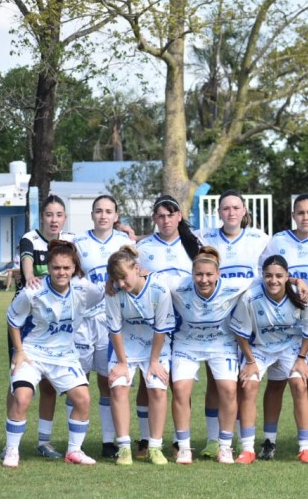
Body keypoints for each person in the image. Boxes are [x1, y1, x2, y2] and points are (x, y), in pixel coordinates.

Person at [2, 240, 104, 467]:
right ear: (48, 268)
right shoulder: (32, 292)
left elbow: (105, 293)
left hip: (64, 355)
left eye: (66, 268)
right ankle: (11, 451)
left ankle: (74, 451)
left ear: (74, 268)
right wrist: (18, 351)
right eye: (56, 267)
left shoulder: (83, 288)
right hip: (33, 353)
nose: (61, 272)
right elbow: (13, 320)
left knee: (83, 399)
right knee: (22, 397)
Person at [259, 194, 308, 459]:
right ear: (293, 215)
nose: (305, 217)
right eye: (300, 212)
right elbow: (266, 270)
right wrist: (293, 278)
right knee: (276, 384)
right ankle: (269, 440)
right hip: (285, 327)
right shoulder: (279, 241)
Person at [197, 190, 271, 461]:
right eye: (225, 208)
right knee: (216, 383)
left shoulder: (260, 238)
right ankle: (212, 440)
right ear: (219, 213)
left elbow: (275, 269)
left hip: (251, 318)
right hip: (217, 318)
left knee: (244, 382)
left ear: (244, 211)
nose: (230, 212)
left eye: (235, 207)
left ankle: (244, 441)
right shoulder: (204, 237)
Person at [230, 255, 308, 464]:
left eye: (279, 276)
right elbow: (241, 333)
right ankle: (248, 449)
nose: (273, 280)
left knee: (299, 384)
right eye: (268, 276)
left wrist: (301, 359)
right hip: (260, 349)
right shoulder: (251, 296)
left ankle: (305, 449)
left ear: (287, 277)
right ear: (262, 276)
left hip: (291, 348)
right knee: (249, 386)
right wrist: (251, 362)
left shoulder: (301, 294)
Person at [163, 246, 249, 464]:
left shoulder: (233, 285)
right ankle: (183, 447)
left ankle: (225, 446)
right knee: (181, 390)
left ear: (218, 274)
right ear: (191, 274)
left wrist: (296, 282)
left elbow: (268, 278)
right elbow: (146, 278)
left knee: (229, 390)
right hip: (187, 344)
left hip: (221, 344)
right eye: (199, 274)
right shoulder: (178, 285)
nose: (204, 279)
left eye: (209, 274)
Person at [132, 195, 201, 458]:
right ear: (154, 219)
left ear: (179, 216)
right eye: (160, 216)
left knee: (180, 382)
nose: (166, 220)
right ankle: (145, 438)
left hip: (186, 321)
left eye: (171, 214)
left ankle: (178, 440)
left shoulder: (193, 244)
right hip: (152, 322)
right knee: (147, 380)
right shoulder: (143, 246)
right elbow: (127, 270)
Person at [8, 195, 77, 460]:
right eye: (49, 214)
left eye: (59, 214)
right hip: (27, 321)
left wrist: (130, 234)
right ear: (42, 217)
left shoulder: (71, 240)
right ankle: (10, 442)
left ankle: (44, 441)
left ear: (65, 218)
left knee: (50, 383)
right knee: (18, 382)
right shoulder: (30, 239)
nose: (54, 219)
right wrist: (29, 279)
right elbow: (27, 265)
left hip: (57, 320)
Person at [72, 195, 132, 458]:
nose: (103, 216)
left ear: (116, 215)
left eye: (109, 211)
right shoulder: (79, 243)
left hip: (112, 322)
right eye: (99, 211)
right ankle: (77, 440)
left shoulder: (124, 243)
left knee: (107, 381)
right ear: (92, 214)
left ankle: (109, 441)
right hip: (84, 322)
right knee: (78, 381)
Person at [105, 246, 176, 465]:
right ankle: (124, 447)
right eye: (116, 279)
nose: (122, 284)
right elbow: (114, 329)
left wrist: (154, 362)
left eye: (124, 278)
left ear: (137, 268)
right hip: (125, 347)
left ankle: (155, 446)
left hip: (156, 347)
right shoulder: (113, 292)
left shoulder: (159, 289)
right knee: (118, 387)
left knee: (157, 389)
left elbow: (161, 328)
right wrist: (122, 364)